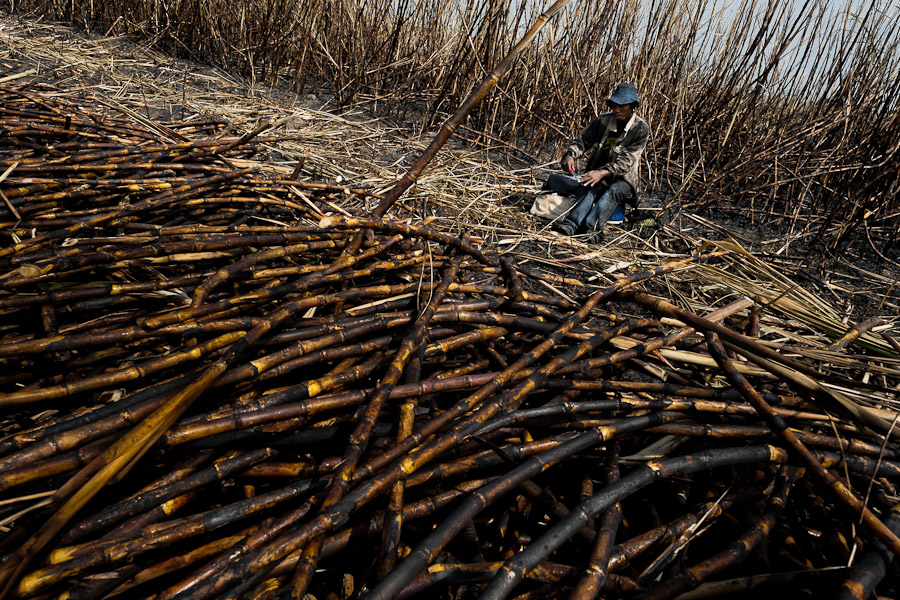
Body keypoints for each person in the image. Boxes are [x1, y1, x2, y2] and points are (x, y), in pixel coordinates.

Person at [546, 82, 649, 239]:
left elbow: (627, 161)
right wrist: (570, 154)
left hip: (623, 178)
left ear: (633, 106)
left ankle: (592, 230)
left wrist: (602, 173)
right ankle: (571, 225)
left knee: (612, 193)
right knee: (589, 187)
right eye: (614, 105)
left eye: (622, 106)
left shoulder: (640, 128)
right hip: (597, 171)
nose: (616, 109)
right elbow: (583, 141)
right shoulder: (602, 121)